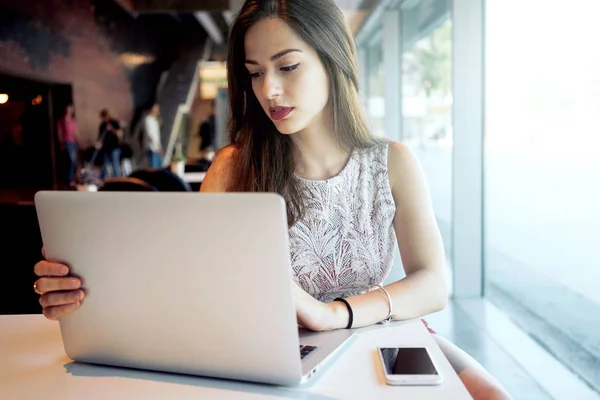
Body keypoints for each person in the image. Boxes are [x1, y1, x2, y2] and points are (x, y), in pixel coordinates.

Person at [32, 1, 511, 399]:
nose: (269, 90)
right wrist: (87, 294)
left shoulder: (392, 162)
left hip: (377, 341)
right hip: (272, 363)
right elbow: (188, 289)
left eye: (288, 66)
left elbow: (431, 284)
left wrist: (335, 313)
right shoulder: (235, 168)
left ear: (334, 58)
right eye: (255, 72)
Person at [56, 104, 80, 187]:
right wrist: (61, 143)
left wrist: (80, 142)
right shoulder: (62, 121)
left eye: (71, 109)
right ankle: (70, 179)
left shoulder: (73, 121)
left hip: (73, 142)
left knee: (74, 161)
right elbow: (60, 133)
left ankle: (73, 178)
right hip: (67, 142)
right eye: (68, 109)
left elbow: (76, 132)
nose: (70, 111)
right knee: (71, 160)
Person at [98, 109, 122, 178]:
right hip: (106, 148)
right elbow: (100, 138)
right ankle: (104, 179)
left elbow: (119, 134)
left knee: (115, 164)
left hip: (114, 148)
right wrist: (99, 143)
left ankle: (117, 179)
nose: (104, 119)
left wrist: (111, 129)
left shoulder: (114, 123)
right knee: (104, 164)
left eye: (105, 117)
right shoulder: (102, 125)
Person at [141, 103, 163, 169]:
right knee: (154, 168)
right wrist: (157, 147)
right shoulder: (148, 119)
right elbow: (151, 135)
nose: (157, 110)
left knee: (159, 168)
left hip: (157, 147)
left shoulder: (154, 120)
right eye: (155, 108)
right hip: (152, 148)